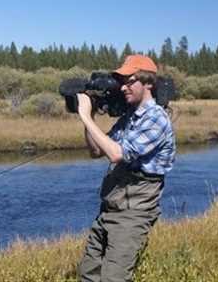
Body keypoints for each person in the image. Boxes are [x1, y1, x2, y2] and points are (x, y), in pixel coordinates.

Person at [77, 55, 176, 282]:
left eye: (129, 81)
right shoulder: (129, 117)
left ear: (148, 83)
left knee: (114, 278)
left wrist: (84, 116)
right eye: (121, 82)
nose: (123, 87)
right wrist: (88, 117)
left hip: (133, 212)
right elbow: (96, 152)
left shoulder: (156, 118)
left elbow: (116, 154)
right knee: (88, 272)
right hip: (111, 205)